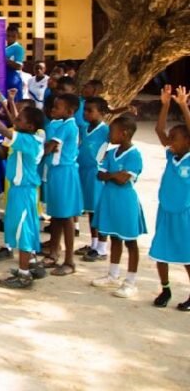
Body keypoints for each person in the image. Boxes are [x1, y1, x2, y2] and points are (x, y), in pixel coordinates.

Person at [0, 94, 47, 289]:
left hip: (23, 192)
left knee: (23, 231)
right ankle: (32, 264)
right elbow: (15, 128)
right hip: (22, 191)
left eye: (19, 120)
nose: (14, 121)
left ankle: (24, 274)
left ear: (30, 126)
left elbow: (4, 130)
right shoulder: (32, 136)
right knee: (27, 227)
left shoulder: (28, 141)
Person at [91, 114, 147, 299]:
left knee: (130, 241)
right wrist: (115, 175)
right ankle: (113, 275)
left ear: (124, 133)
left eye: (112, 131)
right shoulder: (111, 152)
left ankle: (131, 281)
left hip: (125, 202)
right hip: (110, 200)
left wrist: (112, 175)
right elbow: (100, 175)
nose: (109, 135)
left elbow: (124, 180)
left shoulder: (134, 154)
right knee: (114, 238)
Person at [150, 85, 190, 310]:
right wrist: (165, 105)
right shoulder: (171, 156)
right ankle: (165, 289)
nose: (170, 140)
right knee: (161, 252)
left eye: (175, 138)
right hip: (165, 210)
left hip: (185, 213)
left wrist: (183, 105)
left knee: (187, 255)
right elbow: (158, 130)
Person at [42, 93, 82, 276]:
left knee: (66, 217)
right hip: (56, 173)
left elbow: (49, 147)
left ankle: (69, 261)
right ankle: (54, 251)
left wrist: (39, 150)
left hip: (65, 173)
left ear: (69, 111)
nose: (53, 110)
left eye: (57, 107)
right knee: (56, 215)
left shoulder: (68, 127)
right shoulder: (59, 124)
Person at [76, 96, 111, 262]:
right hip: (84, 171)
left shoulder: (106, 131)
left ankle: (102, 248)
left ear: (102, 113)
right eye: (85, 110)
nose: (86, 113)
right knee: (91, 210)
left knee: (99, 211)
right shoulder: (85, 128)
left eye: (90, 111)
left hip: (96, 174)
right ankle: (94, 243)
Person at [5, 25, 26, 98]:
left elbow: (18, 66)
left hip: (13, 81)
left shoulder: (18, 49)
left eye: (13, 36)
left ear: (17, 36)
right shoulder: (3, 47)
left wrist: (5, 60)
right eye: (8, 35)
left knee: (15, 105)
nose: (10, 38)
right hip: (4, 80)